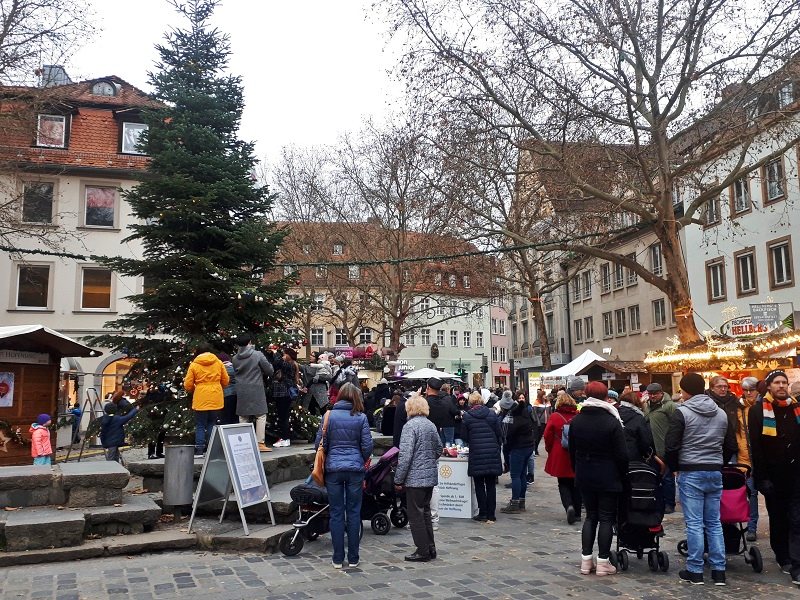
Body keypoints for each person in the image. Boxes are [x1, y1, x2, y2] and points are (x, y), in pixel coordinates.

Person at [665, 372, 737, 586]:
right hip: (714, 471)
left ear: (686, 390)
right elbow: (731, 445)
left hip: (690, 470)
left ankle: (695, 570)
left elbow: (671, 445)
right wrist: (718, 462)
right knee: (714, 522)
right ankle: (719, 570)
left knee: (695, 523)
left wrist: (675, 467)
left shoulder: (683, 412)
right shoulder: (721, 413)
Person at [569, 381, 628, 576]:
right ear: (605, 396)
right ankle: (603, 562)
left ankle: (586, 561)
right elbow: (621, 454)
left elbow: (572, 451)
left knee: (590, 517)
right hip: (608, 475)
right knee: (606, 518)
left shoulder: (577, 421)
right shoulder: (612, 421)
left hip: (585, 474)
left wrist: (578, 469)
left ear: (586, 395)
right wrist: (622, 474)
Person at [313, 382, 373, 569]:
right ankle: (353, 558)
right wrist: (359, 459)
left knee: (336, 513)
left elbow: (319, 444)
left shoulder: (328, 416)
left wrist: (331, 457)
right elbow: (367, 446)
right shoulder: (361, 417)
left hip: (333, 471)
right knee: (354, 513)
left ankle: (338, 558)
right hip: (355, 470)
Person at [748, 370, 800, 584]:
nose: (781, 386)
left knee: (796, 518)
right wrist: (761, 477)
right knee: (778, 517)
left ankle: (796, 556)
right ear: (769, 386)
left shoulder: (796, 408)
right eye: (777, 382)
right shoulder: (758, 411)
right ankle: (783, 555)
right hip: (773, 474)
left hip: (796, 474)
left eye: (784, 382)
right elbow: (756, 447)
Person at [394, 392, 443, 562]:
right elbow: (439, 448)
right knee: (426, 513)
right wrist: (428, 461)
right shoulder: (430, 425)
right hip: (429, 477)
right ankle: (430, 547)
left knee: (416, 516)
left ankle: (422, 550)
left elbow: (405, 456)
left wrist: (398, 479)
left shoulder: (410, 427)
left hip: (415, 478)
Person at [462, 390, 502, 523]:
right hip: (491, 453)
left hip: (477, 453)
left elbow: (465, 436)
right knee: (491, 485)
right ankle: (491, 514)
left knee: (479, 484)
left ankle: (483, 512)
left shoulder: (467, 416)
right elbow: (498, 433)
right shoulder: (491, 414)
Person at [184, 343, 229, 456]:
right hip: (215, 396)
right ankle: (210, 449)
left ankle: (199, 449)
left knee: (200, 424)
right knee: (212, 422)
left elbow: (188, 384)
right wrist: (217, 387)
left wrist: (196, 389)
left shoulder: (194, 365)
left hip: (201, 396)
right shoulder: (218, 362)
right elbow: (226, 380)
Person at [544, 391, 582, 524]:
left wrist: (549, 449)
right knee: (576, 484)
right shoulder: (578, 416)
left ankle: (568, 506)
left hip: (560, 453)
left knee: (563, 483)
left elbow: (547, 435)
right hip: (576, 453)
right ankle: (577, 512)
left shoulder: (555, 416)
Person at [232, 336, 274, 452]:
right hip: (256, 388)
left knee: (243, 416)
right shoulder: (257, 354)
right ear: (249, 342)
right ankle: (260, 443)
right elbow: (269, 370)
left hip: (241, 389)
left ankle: (243, 443)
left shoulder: (235, 358)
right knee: (260, 415)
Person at [501, 392, 536, 514]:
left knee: (515, 476)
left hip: (517, 448)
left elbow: (506, 436)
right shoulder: (525, 414)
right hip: (528, 447)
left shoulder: (511, 418)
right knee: (522, 475)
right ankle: (521, 501)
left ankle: (515, 502)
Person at [644, 382, 677, 513]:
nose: (652, 396)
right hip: (652, 449)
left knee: (668, 479)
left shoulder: (669, 406)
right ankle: (659, 502)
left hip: (665, 448)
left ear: (661, 393)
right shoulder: (646, 406)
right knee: (656, 477)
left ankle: (670, 503)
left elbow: (675, 426)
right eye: (650, 394)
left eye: (655, 394)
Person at [737, 376, 760, 542]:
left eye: (751, 389)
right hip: (744, 457)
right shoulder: (739, 408)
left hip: (762, 456)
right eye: (745, 390)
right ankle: (750, 526)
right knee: (749, 493)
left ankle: (753, 526)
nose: (749, 393)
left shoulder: (762, 406)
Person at [269, 346, 303, 448]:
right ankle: (285, 438)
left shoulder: (290, 364)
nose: (283, 356)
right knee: (283, 416)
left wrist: (275, 352)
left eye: (284, 354)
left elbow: (279, 363)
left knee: (283, 416)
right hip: (284, 393)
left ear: (288, 355)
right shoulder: (293, 364)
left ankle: (284, 438)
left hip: (283, 393)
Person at [617, 391, 655, 462]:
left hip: (616, 457)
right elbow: (645, 441)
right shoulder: (638, 418)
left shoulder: (614, 415)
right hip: (634, 457)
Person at [218, 352, 238, 425]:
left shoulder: (220, 370)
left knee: (226, 418)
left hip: (225, 395)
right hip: (236, 394)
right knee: (235, 417)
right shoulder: (234, 368)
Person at [532, 390, 549, 456]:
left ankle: (536, 449)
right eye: (544, 395)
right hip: (540, 422)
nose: (545, 396)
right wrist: (537, 422)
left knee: (545, 436)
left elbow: (549, 412)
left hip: (547, 421)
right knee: (538, 436)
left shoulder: (547, 402)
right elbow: (535, 413)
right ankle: (535, 448)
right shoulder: (537, 402)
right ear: (541, 396)